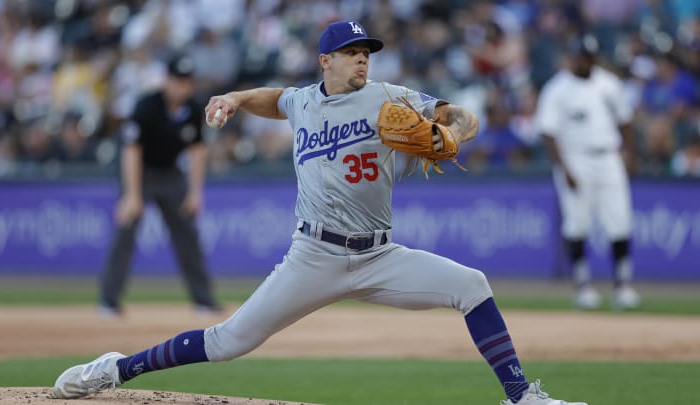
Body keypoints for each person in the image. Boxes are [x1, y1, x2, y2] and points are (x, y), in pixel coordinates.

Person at [54, 21, 587, 405]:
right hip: (314, 254)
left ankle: (522, 397)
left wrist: (452, 132)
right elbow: (274, 98)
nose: (362, 58)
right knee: (227, 342)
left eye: (366, 51)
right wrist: (236, 98)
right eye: (352, 51)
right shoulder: (304, 101)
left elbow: (461, 115)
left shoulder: (388, 96)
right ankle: (115, 369)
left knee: (472, 284)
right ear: (325, 60)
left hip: (379, 254)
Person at [98, 54, 219, 317]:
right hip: (141, 173)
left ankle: (204, 301)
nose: (182, 87)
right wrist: (131, 194)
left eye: (187, 82)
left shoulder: (193, 109)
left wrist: (195, 192)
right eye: (177, 81)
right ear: (166, 80)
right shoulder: (147, 107)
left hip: (172, 174)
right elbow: (131, 151)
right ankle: (108, 302)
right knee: (126, 232)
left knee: (187, 234)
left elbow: (198, 151)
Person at [536, 34, 640, 310]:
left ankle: (623, 285)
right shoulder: (557, 88)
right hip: (575, 159)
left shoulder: (609, 84)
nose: (584, 61)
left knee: (619, 220)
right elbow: (548, 133)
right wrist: (563, 168)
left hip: (609, 156)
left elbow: (626, 121)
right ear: (572, 57)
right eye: (580, 56)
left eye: (588, 57)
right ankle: (582, 286)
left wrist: (628, 154)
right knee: (577, 222)